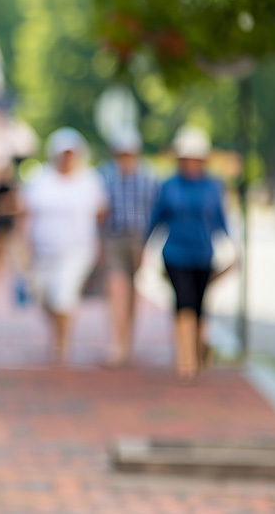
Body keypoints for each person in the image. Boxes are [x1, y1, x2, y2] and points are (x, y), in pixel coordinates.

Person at [147, 126, 230, 380]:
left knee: (199, 305)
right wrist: (144, 247)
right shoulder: (169, 185)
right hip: (175, 253)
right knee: (183, 302)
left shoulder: (213, 186)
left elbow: (220, 220)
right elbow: (156, 218)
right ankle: (186, 361)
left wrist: (231, 249)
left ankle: (198, 349)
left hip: (203, 254)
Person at [21, 128, 107, 364]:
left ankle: (62, 343)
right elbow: (26, 214)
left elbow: (101, 214)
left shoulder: (89, 181)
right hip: (43, 252)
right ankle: (56, 333)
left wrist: (100, 246)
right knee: (45, 298)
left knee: (64, 296)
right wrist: (24, 246)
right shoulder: (40, 180)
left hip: (76, 250)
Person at [100, 127, 159, 367]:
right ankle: (117, 343)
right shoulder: (104, 175)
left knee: (133, 293)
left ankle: (128, 339)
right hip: (113, 238)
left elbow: (154, 213)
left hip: (138, 240)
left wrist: (147, 246)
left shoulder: (149, 178)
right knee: (117, 289)